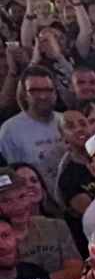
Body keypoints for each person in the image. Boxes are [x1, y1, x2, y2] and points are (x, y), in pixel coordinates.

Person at [0, 167, 81, 279]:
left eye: (22, 196)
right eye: (5, 200)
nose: (18, 206)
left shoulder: (56, 226)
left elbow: (76, 271)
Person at [0, 67, 66, 195]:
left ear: (55, 93)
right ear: (25, 94)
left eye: (48, 90)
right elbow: (15, 175)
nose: (42, 96)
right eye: (34, 91)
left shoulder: (67, 122)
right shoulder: (10, 130)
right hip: (36, 199)